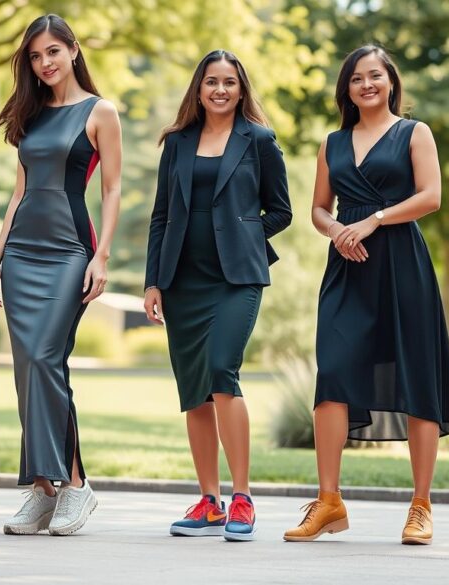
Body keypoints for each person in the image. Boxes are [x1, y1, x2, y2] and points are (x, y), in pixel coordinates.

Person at [283, 45, 449, 545]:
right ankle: (329, 502)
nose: (366, 84)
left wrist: (374, 220)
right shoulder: (332, 143)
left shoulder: (414, 132)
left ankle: (421, 505)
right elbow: (318, 208)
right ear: (346, 88)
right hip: (348, 268)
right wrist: (339, 230)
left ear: (390, 82)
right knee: (334, 373)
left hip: (402, 263)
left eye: (375, 76)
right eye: (356, 78)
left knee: (417, 375)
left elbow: (431, 196)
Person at [144, 50, 292, 542]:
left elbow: (281, 211)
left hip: (236, 279)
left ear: (241, 88)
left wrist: (244, 236)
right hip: (182, 280)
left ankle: (243, 498)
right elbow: (162, 216)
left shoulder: (260, 141)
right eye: (212, 81)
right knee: (194, 388)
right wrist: (153, 281)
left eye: (230, 82)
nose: (221, 90)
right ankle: (209, 501)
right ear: (199, 88)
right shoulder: (178, 143)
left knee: (222, 369)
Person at [0, 13, 122, 536]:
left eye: (53, 53)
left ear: (73, 50)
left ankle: (77, 487)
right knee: (28, 369)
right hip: (21, 253)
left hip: (69, 252)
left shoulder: (99, 111)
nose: (44, 63)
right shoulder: (32, 113)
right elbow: (18, 193)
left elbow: (111, 189)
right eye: (36, 56)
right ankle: (43, 492)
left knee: (46, 359)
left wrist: (102, 255)